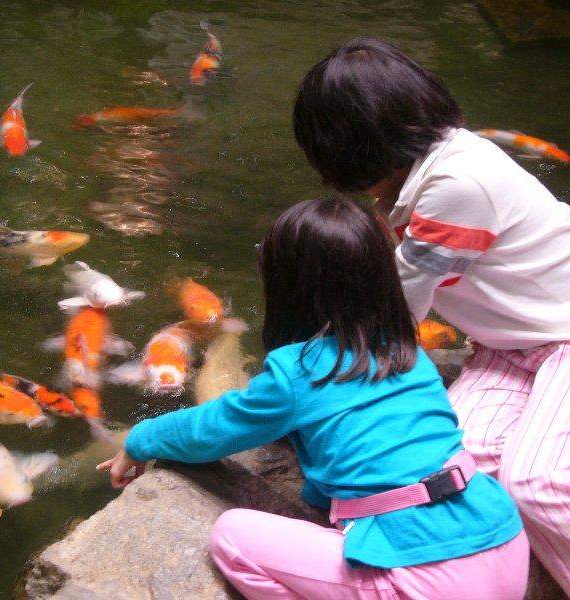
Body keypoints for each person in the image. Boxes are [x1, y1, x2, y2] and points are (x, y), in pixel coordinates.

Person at [98, 198, 528, 600]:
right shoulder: (409, 353)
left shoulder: (297, 371)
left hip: (427, 576)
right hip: (504, 541)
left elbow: (212, 430)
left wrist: (141, 438)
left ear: (288, 286)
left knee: (231, 536)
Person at [292, 37, 570, 597]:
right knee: (448, 475)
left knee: (537, 484)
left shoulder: (456, 186)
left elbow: (393, 309)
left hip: (568, 338)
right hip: (509, 351)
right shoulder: (432, 169)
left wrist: (297, 390)